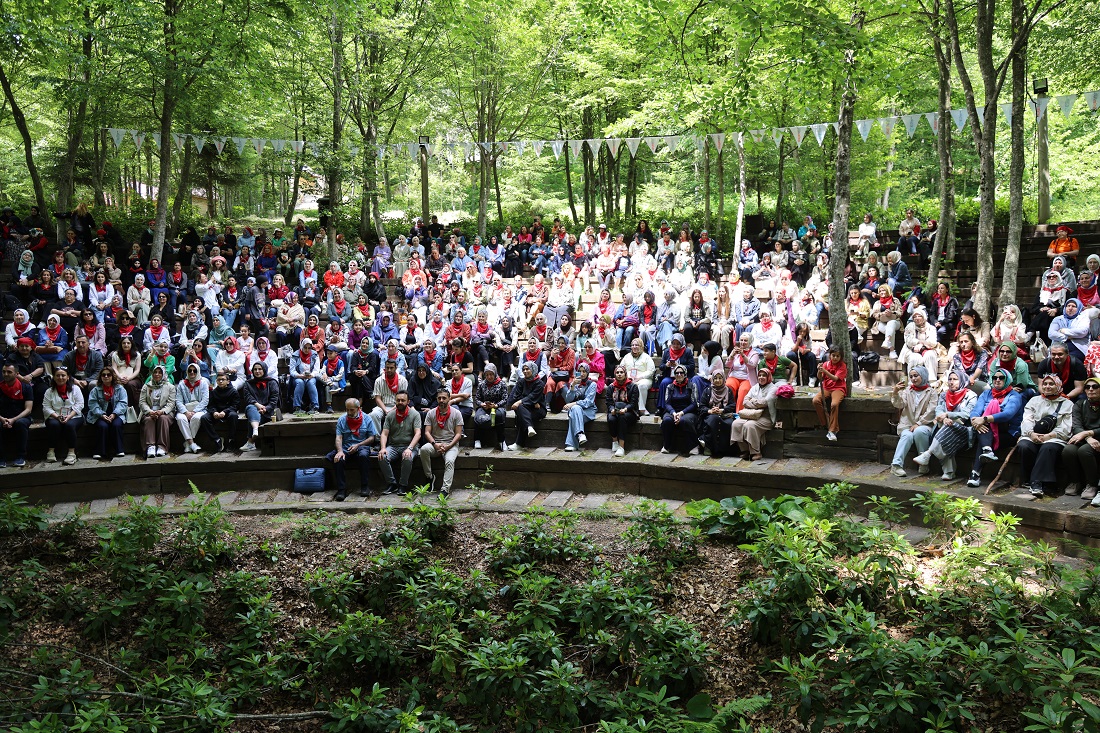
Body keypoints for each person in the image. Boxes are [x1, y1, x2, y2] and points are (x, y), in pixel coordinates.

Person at [1016, 374, 1073, 500]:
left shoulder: (1067, 404)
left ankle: (1036, 482)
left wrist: (1049, 436)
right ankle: (1028, 480)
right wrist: (1031, 434)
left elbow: (1066, 426)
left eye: (1051, 384)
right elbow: (1027, 420)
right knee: (1024, 446)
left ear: (1058, 386)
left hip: (1055, 437)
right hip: (1033, 434)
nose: (1047, 386)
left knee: (1048, 447)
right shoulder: (1034, 401)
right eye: (1045, 384)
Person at [966, 368, 1025, 489]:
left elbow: (1008, 414)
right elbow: (975, 411)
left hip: (1008, 432)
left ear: (1007, 380)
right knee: (984, 431)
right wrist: (975, 420)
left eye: (1001, 378)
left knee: (984, 431)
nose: (997, 380)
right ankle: (986, 451)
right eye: (995, 378)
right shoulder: (986, 393)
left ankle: (975, 473)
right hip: (986, 430)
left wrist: (984, 419)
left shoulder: (1015, 396)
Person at [913, 370, 977, 481]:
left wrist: (948, 415)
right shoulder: (944, 394)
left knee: (947, 428)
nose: (951, 382)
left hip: (964, 430)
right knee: (946, 428)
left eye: (955, 379)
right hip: (945, 426)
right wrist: (944, 419)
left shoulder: (970, 395)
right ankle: (949, 472)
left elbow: (967, 414)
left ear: (962, 380)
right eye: (950, 379)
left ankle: (928, 454)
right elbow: (939, 410)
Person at [888, 366, 938, 477]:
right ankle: (896, 465)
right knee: (907, 436)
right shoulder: (907, 391)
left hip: (925, 425)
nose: (913, 379)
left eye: (916, 375)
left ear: (923, 375)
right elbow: (899, 404)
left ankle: (923, 463)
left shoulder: (932, 392)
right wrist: (895, 392)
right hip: (907, 424)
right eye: (911, 376)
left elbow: (931, 411)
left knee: (919, 431)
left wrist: (919, 423)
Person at [327, 397, 380, 501]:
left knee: (364, 456)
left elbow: (371, 438)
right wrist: (340, 451)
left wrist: (358, 445)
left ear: (358, 408)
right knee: (338, 459)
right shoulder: (342, 419)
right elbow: (339, 437)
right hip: (346, 447)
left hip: (362, 446)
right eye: (347, 410)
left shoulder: (367, 418)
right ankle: (341, 489)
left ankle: (365, 486)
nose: (349, 412)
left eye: (352, 410)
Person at [1062, 377, 1100, 504]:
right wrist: (1088, 437)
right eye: (1087, 387)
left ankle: (1092, 484)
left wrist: (1089, 433)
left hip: (1098, 439)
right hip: (1085, 438)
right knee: (1068, 450)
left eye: (1095, 387)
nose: (1090, 389)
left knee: (1085, 451)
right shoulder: (1080, 404)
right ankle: (1075, 481)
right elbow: (1076, 425)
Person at [420, 389, 463, 495]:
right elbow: (427, 432)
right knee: (423, 450)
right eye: (439, 398)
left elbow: (458, 434)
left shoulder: (456, 413)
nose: (441, 400)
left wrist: (449, 446)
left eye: (444, 398)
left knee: (449, 461)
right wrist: (435, 444)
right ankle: (429, 477)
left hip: (451, 444)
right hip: (436, 443)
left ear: (449, 399)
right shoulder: (431, 413)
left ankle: (445, 489)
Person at [378, 390, 422, 495]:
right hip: (393, 446)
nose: (400, 402)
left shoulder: (414, 414)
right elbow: (384, 434)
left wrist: (410, 448)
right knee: (382, 456)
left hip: (410, 446)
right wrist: (383, 448)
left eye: (403, 400)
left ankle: (403, 485)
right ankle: (392, 484)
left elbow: (418, 434)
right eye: (398, 400)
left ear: (408, 402)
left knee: (407, 457)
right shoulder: (390, 415)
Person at [730, 366, 778, 460]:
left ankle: (756, 452)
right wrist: (757, 403)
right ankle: (745, 450)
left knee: (749, 425)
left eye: (764, 375)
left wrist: (752, 402)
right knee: (736, 424)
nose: (761, 377)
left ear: (768, 377)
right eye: (759, 375)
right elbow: (745, 401)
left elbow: (765, 402)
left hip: (766, 417)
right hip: (752, 415)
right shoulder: (755, 387)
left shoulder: (773, 388)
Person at [43, 366, 84, 465]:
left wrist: (69, 416)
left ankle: (71, 453)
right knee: (54, 425)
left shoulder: (75, 389)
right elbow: (46, 407)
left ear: (68, 377)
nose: (60, 378)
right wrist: (57, 417)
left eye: (63, 375)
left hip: (74, 416)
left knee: (69, 425)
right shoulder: (49, 391)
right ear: (54, 377)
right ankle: (51, 451)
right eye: (57, 375)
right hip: (55, 416)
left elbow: (80, 404)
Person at [507, 361, 546, 451]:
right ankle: (529, 427)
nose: (525, 371)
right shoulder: (521, 382)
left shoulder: (539, 383)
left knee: (521, 410)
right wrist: (530, 402)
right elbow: (515, 397)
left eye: (527, 369)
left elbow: (533, 396)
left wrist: (521, 401)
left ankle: (519, 444)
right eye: (523, 369)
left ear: (533, 370)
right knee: (521, 409)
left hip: (539, 410)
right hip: (527, 408)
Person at [0, 363, 33, 467]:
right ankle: (1, 458)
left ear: (16, 374)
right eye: (4, 372)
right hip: (2, 417)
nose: (6, 374)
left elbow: (28, 409)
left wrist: (13, 419)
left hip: (21, 417)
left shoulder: (26, 388)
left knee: (20, 424)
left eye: (9, 372)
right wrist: (2, 419)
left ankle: (21, 456)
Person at [697, 369, 736, 458]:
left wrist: (722, 410)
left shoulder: (728, 390)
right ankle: (709, 447)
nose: (717, 380)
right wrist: (710, 411)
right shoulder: (707, 391)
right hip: (710, 415)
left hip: (724, 415)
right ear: (712, 380)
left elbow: (732, 405)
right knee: (714, 419)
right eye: (715, 378)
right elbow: (702, 406)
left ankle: (723, 449)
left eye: (720, 378)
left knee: (729, 423)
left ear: (724, 379)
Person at [660, 364, 698, 455]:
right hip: (672, 411)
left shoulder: (692, 386)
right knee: (667, 420)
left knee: (685, 421)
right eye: (677, 373)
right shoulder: (670, 387)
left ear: (685, 374)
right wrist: (673, 413)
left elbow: (694, 403)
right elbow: (667, 403)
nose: (679, 374)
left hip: (688, 411)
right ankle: (667, 446)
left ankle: (693, 446)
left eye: (681, 373)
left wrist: (681, 413)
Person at [139, 364, 175, 459]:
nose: (157, 374)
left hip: (164, 412)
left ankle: (162, 447)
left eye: (160, 372)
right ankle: (150, 446)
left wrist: (162, 411)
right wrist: (149, 411)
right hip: (149, 412)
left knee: (163, 419)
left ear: (163, 374)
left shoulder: (170, 387)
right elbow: (142, 402)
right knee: (149, 420)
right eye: (155, 372)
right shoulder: (146, 386)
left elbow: (171, 403)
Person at [241, 362, 278, 452]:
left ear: (264, 370)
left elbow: (274, 399)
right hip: (254, 409)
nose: (257, 371)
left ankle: (251, 442)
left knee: (252, 415)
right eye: (255, 369)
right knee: (251, 408)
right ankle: (255, 429)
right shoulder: (248, 383)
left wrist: (266, 408)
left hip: (268, 412)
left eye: (260, 369)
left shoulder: (272, 382)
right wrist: (257, 405)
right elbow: (248, 398)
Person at [199, 372, 240, 453]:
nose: (221, 381)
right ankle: (216, 439)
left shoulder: (233, 392)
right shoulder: (214, 392)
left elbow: (236, 406)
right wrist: (214, 412)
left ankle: (231, 440)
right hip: (216, 414)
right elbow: (210, 405)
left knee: (233, 416)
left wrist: (225, 412)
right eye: (219, 380)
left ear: (228, 381)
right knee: (204, 418)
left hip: (228, 412)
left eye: (223, 380)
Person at [472, 363, 509, 450]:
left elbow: (505, 399)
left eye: (491, 374)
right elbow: (477, 398)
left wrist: (496, 405)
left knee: (499, 416)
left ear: (495, 373)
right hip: (485, 407)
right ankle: (477, 439)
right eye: (487, 375)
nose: (489, 377)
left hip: (497, 407)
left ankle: (501, 440)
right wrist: (482, 404)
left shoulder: (502, 384)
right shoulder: (482, 384)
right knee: (477, 416)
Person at [813, 347, 847, 441]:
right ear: (830, 355)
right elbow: (820, 377)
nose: (835, 358)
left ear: (841, 357)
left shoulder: (842, 366)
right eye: (833, 355)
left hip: (838, 389)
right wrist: (819, 370)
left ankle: (832, 430)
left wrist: (825, 371)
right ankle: (826, 424)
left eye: (837, 356)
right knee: (816, 400)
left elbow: (835, 378)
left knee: (834, 404)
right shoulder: (826, 364)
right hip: (827, 388)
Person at [561, 363, 597, 451]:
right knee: (575, 410)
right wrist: (572, 386)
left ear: (588, 372)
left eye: (584, 371)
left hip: (588, 411)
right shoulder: (575, 384)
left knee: (574, 411)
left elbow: (588, 402)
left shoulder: (592, 385)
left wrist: (573, 404)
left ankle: (571, 444)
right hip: (576, 411)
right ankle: (580, 434)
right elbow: (568, 399)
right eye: (579, 371)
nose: (581, 374)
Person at [605, 365, 640, 456]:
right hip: (615, 410)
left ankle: (621, 446)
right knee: (611, 419)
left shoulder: (633, 386)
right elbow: (609, 402)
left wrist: (625, 409)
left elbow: (633, 403)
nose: (619, 374)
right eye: (617, 372)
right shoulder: (611, 387)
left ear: (625, 374)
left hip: (630, 412)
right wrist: (612, 409)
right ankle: (615, 441)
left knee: (622, 418)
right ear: (615, 374)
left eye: (621, 372)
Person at [175, 363, 209, 454]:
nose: (192, 372)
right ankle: (192, 443)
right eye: (190, 370)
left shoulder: (203, 383)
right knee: (180, 418)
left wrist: (194, 411)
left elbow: (205, 400)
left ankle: (187, 443)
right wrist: (185, 412)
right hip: (185, 409)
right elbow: (178, 401)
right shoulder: (182, 384)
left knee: (196, 418)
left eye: (194, 370)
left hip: (199, 409)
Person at [370, 359, 407, 432]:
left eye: (391, 368)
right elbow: (377, 398)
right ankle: (377, 439)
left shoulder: (402, 380)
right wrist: (386, 410)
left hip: (397, 406)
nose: (389, 370)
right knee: (374, 414)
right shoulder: (379, 380)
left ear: (396, 368)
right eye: (387, 368)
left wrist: (391, 410)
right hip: (382, 406)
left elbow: (403, 399)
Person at [290, 339, 323, 413]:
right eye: (305, 347)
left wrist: (311, 375)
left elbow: (316, 370)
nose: (307, 350)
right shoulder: (295, 355)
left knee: (311, 383)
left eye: (309, 348)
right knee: (300, 383)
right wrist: (300, 376)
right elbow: (292, 371)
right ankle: (297, 407)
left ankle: (315, 407)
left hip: (310, 376)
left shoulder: (314, 355)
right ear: (302, 346)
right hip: (298, 376)